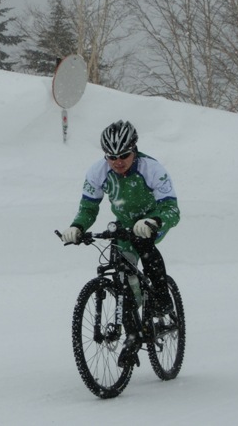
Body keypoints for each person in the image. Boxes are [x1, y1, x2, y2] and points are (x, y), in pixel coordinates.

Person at [61, 119, 180, 316]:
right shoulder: (97, 172)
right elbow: (88, 208)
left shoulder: (152, 169)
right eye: (112, 156)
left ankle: (161, 297)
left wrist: (155, 222)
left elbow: (172, 210)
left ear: (134, 150)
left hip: (153, 220)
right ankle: (132, 327)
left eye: (124, 155)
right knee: (123, 273)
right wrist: (77, 226)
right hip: (124, 224)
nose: (118, 162)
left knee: (143, 243)